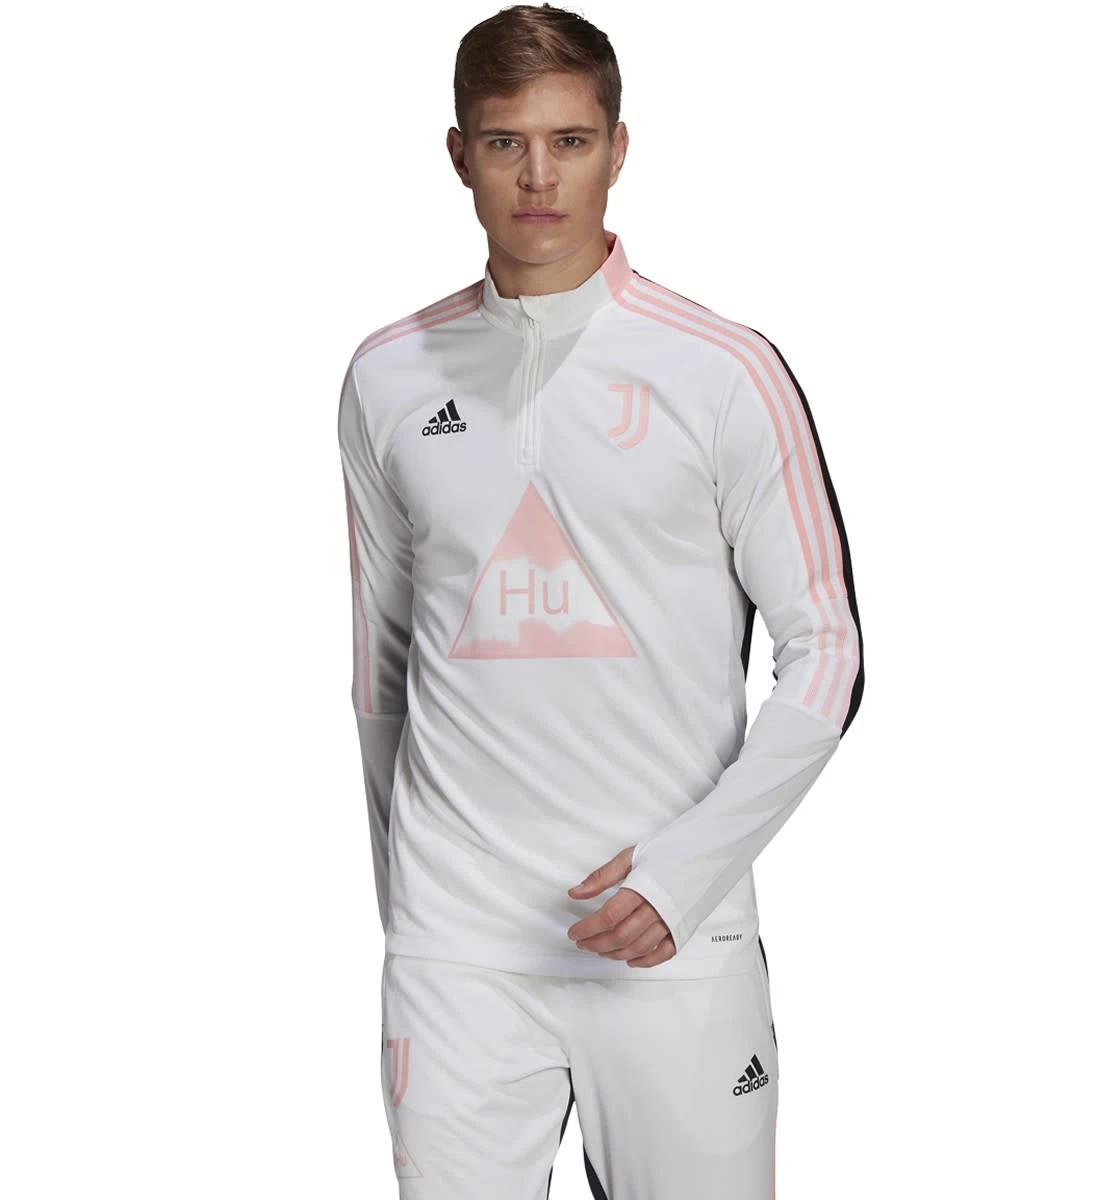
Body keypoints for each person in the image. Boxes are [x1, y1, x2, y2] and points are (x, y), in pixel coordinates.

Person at [337, 5, 864, 1196]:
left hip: (673, 944)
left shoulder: (724, 372)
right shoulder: (384, 377)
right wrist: (413, 911)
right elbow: (380, 673)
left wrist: (687, 873)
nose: (538, 177)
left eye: (569, 142)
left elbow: (827, 651)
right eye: (506, 142)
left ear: (618, 149)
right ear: (459, 154)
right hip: (458, 957)